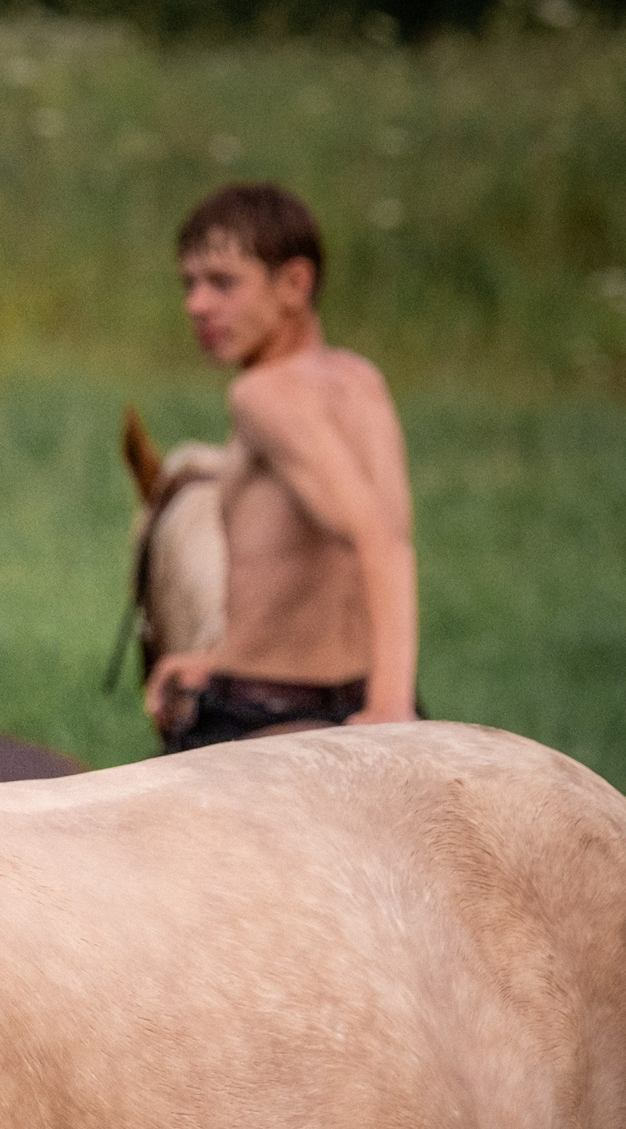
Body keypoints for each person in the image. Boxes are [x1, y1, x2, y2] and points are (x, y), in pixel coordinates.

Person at [145, 182, 421, 751]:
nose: (195, 304)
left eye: (222, 283)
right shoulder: (361, 380)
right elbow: (383, 539)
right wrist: (217, 658)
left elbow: (378, 539)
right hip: (352, 685)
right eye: (189, 284)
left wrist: (391, 707)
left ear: (295, 283)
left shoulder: (261, 393)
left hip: (266, 706)